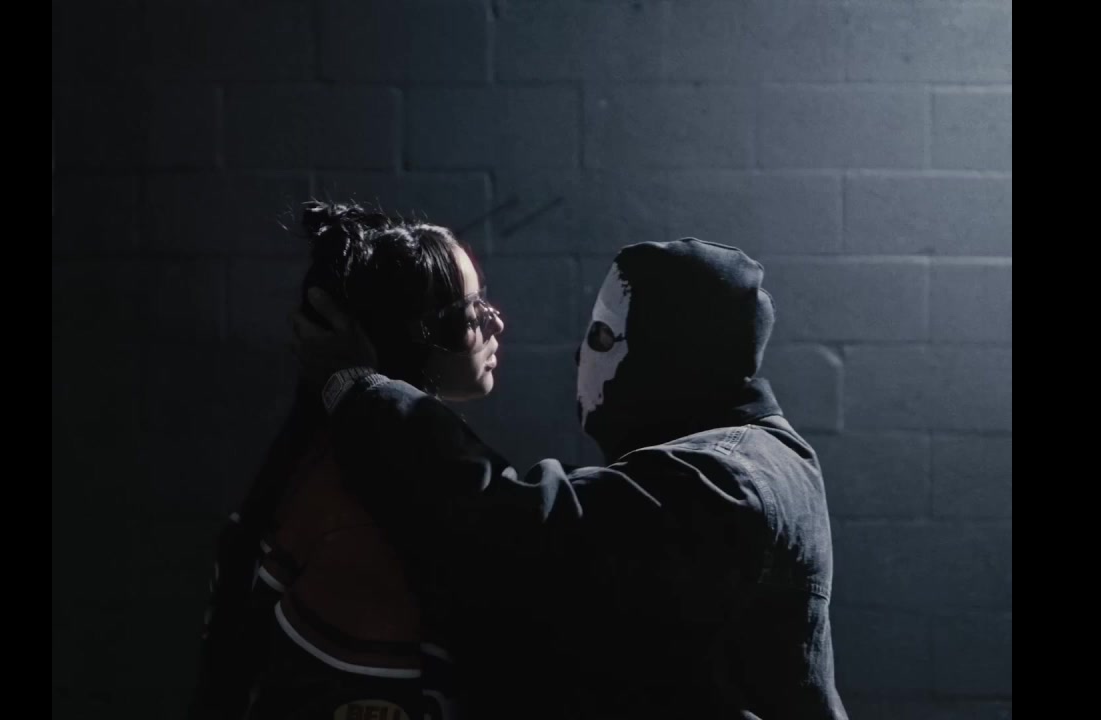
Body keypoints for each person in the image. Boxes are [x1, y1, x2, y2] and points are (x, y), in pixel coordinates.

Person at [293, 238, 849, 719]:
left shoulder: (727, 478)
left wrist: (361, 390)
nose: (580, 357)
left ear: (671, 354)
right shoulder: (736, 460)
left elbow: (518, 530)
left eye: (603, 337)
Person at [188, 200, 504, 720]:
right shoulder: (362, 525)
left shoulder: (341, 465)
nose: (495, 322)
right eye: (468, 312)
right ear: (408, 337)